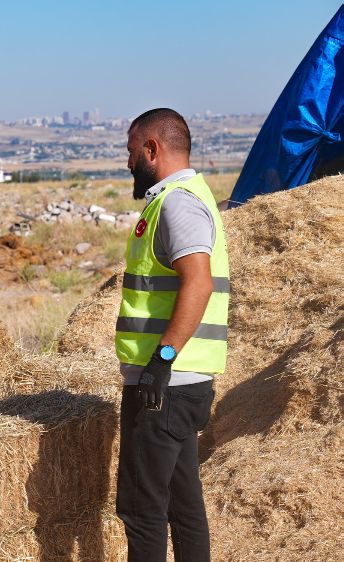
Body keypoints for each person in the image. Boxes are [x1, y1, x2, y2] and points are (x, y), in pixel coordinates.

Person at [114, 108, 229, 562]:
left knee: (142, 511)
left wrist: (161, 359)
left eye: (130, 152)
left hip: (165, 385)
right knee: (183, 506)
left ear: (151, 149)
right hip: (179, 385)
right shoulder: (180, 198)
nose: (127, 163)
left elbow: (197, 281)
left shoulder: (178, 203)